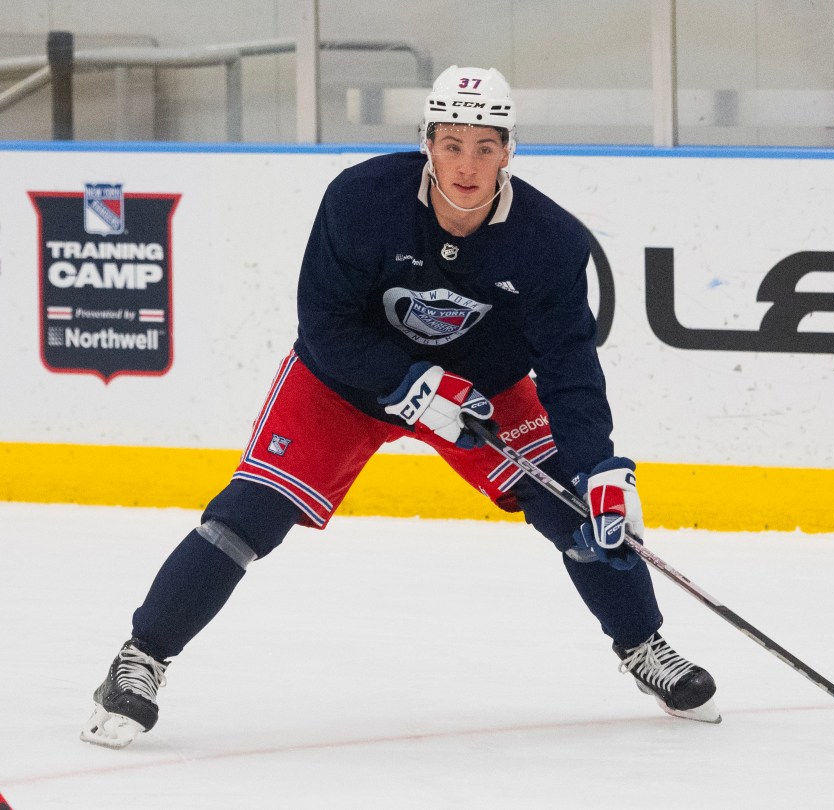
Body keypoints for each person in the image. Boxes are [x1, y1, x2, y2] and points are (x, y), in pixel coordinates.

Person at [81, 65, 720, 750]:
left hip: (484, 391)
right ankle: (141, 658)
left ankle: (644, 646)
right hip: (346, 381)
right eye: (451, 144)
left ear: (509, 150)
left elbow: (570, 367)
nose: (467, 164)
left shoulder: (550, 240)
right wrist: (409, 383)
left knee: (574, 508)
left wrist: (599, 469)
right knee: (248, 516)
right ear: (427, 142)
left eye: (484, 146)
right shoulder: (362, 199)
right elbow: (324, 324)